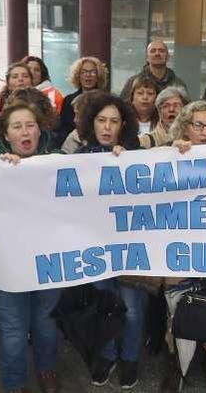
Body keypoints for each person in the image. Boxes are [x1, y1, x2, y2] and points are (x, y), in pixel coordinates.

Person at [0, 102, 62, 393]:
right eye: (16, 126)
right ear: (6, 135)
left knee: (44, 320)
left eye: (30, 125)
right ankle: (15, 383)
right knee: (14, 328)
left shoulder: (58, 160)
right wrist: (0, 170)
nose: (25, 131)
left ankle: (46, 369)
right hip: (8, 263)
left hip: (49, 260)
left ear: (40, 131)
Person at [74, 94, 147, 390]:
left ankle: (130, 358)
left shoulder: (137, 155)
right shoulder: (79, 157)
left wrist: (129, 159)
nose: (107, 127)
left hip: (131, 249)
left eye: (114, 121)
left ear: (123, 125)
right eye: (101, 120)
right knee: (103, 304)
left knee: (132, 308)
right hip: (96, 249)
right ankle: (107, 355)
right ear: (92, 123)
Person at [160, 100, 206, 393]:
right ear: (185, 127)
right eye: (197, 125)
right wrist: (171, 153)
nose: (204, 131)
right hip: (181, 245)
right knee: (177, 303)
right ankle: (175, 364)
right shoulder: (170, 155)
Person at [58, 56, 109, 143]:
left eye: (92, 72)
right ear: (78, 75)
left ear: (98, 75)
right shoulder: (68, 100)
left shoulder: (107, 99)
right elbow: (63, 129)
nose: (88, 75)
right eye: (84, 72)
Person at [119, 40, 187, 100]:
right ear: (147, 58)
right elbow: (121, 107)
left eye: (161, 51)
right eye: (153, 51)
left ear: (168, 57)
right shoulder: (133, 82)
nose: (157, 54)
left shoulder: (178, 84)